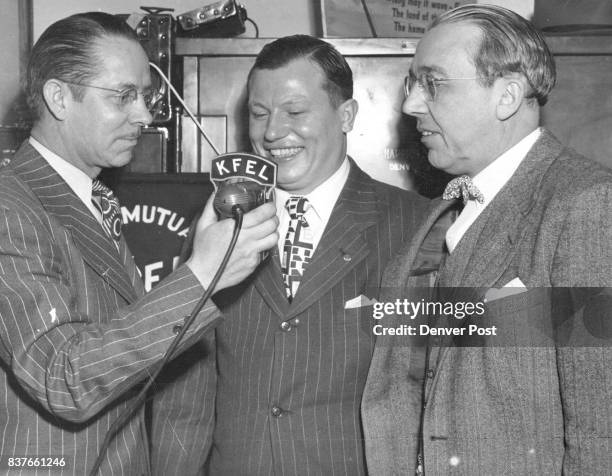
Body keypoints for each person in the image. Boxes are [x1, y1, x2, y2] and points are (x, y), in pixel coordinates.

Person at [0, 12, 277, 475]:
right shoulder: (11, 208)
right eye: (123, 96)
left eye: (144, 96)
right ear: (58, 97)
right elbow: (64, 379)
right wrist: (201, 275)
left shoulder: (87, 197)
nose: (145, 116)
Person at [151, 34, 429, 475]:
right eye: (258, 114)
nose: (272, 133)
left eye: (295, 112)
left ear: (346, 115)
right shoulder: (217, 226)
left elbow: (434, 391)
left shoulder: (418, 226)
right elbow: (187, 396)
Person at [361, 4, 612, 476]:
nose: (410, 105)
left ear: (507, 96)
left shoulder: (587, 204)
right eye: (412, 84)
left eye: (431, 83)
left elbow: (602, 433)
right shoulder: (445, 210)